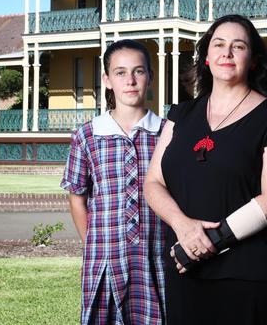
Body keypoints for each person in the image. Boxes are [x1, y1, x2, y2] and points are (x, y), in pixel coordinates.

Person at [144, 14, 267, 325]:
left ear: (252, 60)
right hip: (185, 267)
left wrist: (210, 242)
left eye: (238, 46)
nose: (227, 53)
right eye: (219, 44)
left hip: (247, 274)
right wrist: (183, 227)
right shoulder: (181, 115)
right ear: (207, 57)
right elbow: (153, 182)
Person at [61, 39, 166, 325]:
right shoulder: (87, 135)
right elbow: (77, 195)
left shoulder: (167, 132)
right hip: (105, 258)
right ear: (107, 80)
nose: (130, 81)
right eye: (120, 73)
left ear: (149, 76)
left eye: (138, 71)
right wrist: (93, 243)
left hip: (155, 258)